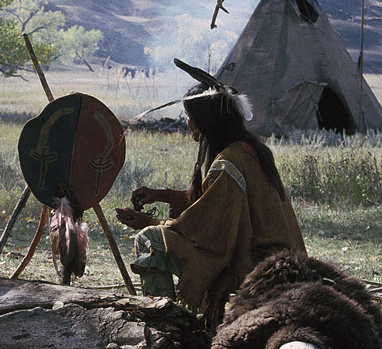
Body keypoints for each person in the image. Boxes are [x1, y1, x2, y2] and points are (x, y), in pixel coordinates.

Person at [115, 74, 306, 330]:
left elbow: (205, 230)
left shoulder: (228, 163)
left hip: (258, 264)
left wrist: (148, 221)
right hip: (284, 257)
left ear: (205, 120)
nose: (187, 122)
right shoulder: (250, 149)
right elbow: (214, 204)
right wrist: (163, 195)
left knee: (149, 239)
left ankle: (167, 329)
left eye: (189, 116)